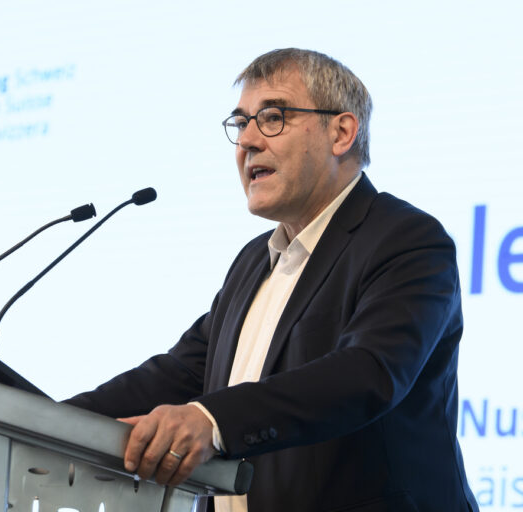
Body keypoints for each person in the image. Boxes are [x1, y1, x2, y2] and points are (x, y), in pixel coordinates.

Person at [65, 48, 479, 511]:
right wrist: (42, 418)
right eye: (240, 123)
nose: (247, 142)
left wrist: (212, 420)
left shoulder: (405, 239)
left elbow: (369, 373)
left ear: (341, 132)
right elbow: (182, 373)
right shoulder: (252, 262)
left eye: (273, 117)